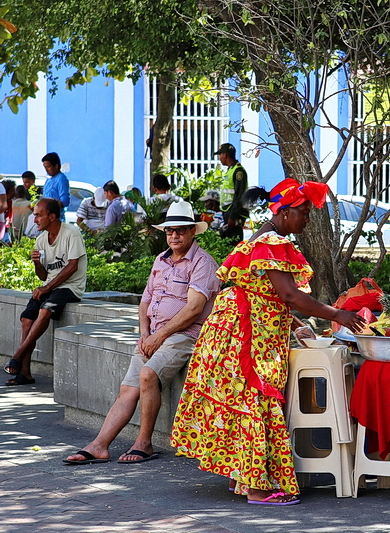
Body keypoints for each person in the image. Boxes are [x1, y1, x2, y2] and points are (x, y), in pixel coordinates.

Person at [171, 178, 367, 506]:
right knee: (255, 401)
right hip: (245, 337)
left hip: (236, 331)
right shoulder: (273, 242)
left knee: (250, 402)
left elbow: (262, 293)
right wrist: (339, 314)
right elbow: (289, 295)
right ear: (285, 212)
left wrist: (295, 324)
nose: (307, 218)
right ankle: (258, 490)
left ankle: (247, 481)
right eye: (304, 212)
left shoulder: (262, 237)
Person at [63, 201, 221, 465]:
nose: (174, 236)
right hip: (154, 334)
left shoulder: (203, 263)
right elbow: (146, 301)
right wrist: (146, 333)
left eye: (181, 230)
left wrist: (158, 337)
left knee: (148, 375)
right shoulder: (161, 259)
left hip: (186, 335)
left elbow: (194, 309)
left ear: (193, 231)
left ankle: (144, 443)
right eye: (170, 231)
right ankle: (99, 445)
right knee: (127, 389)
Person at [4, 198, 87, 386]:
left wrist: (47, 288)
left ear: (52, 216)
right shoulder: (41, 239)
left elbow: (72, 267)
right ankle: (24, 373)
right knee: (26, 319)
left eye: (38, 215)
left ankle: (18, 355)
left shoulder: (71, 233)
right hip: (50, 285)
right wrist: (37, 264)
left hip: (70, 287)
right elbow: (43, 276)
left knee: (45, 310)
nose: (35, 220)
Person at [214, 143, 248, 241]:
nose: (220, 158)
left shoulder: (238, 171)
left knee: (234, 241)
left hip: (234, 213)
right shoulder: (230, 170)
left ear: (225, 155)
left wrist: (233, 217)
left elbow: (239, 195)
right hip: (227, 212)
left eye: (220, 155)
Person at [41, 153, 70, 221]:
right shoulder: (48, 180)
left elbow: (65, 201)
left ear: (56, 166)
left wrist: (50, 209)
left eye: (48, 167)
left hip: (55, 219)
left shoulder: (61, 179)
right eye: (45, 167)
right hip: (46, 218)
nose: (46, 170)